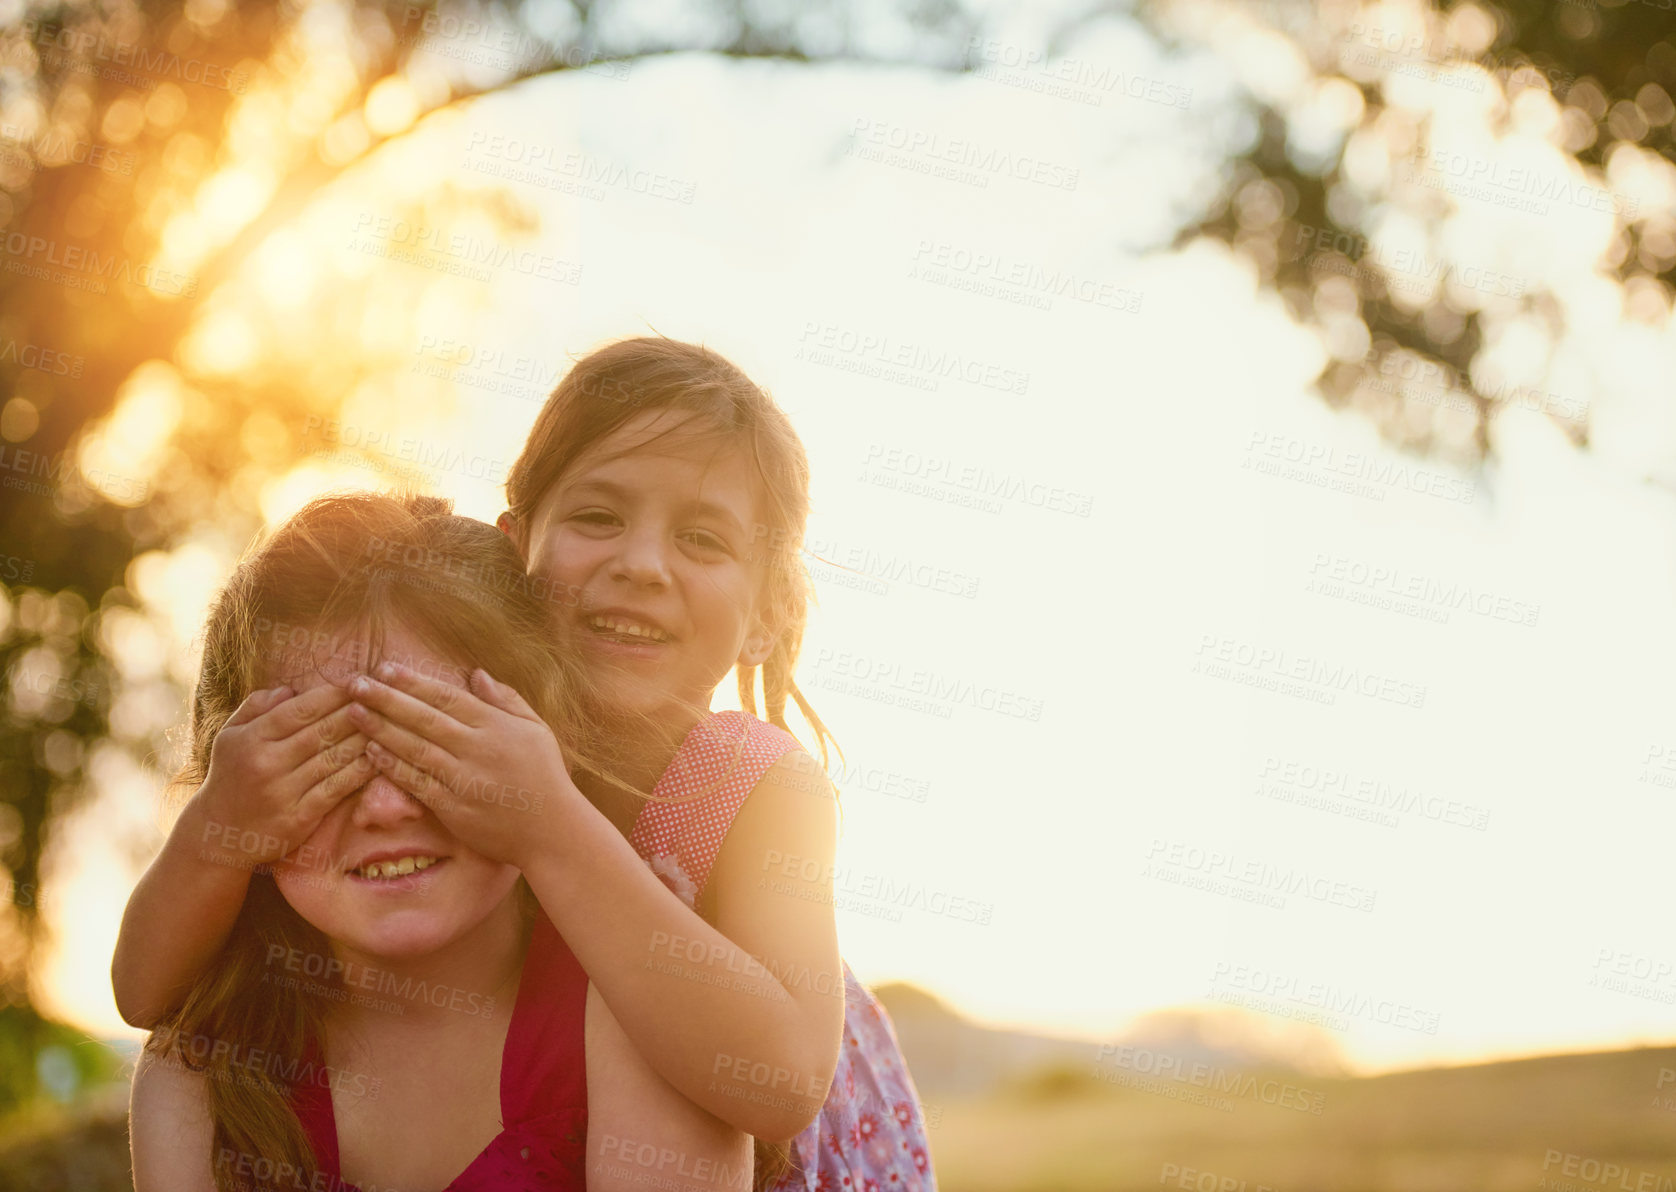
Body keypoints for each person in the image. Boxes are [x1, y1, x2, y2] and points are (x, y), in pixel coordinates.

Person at [115, 338, 937, 1189]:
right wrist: (220, 821)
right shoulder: (485, 718)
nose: (641, 565)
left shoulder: (755, 783)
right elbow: (144, 996)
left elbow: (784, 1083)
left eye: (701, 538)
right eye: (597, 518)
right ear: (516, 556)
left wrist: (549, 829)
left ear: (766, 612)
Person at [125, 492, 748, 1192]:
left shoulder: (652, 1022)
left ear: (550, 749)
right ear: (234, 789)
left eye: (434, 747)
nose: (387, 806)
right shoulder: (205, 1074)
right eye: (327, 758)